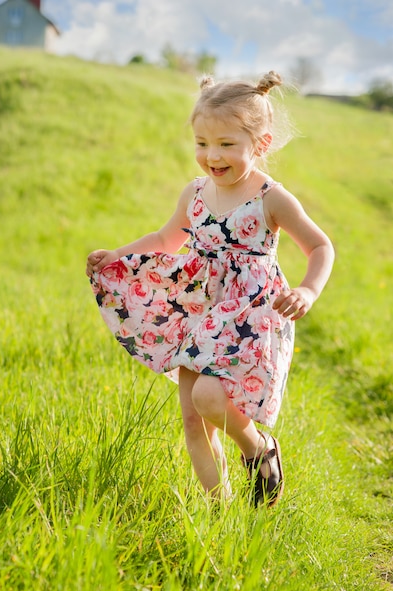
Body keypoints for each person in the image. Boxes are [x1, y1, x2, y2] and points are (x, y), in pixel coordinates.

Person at [86, 71, 334, 507]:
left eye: (225, 145)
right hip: (197, 311)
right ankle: (219, 510)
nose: (211, 156)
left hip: (249, 315)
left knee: (209, 396)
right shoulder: (195, 193)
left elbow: (319, 246)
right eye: (202, 143)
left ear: (261, 143)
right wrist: (117, 255)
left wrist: (308, 291)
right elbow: (166, 240)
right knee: (192, 419)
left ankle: (257, 448)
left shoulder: (271, 198)